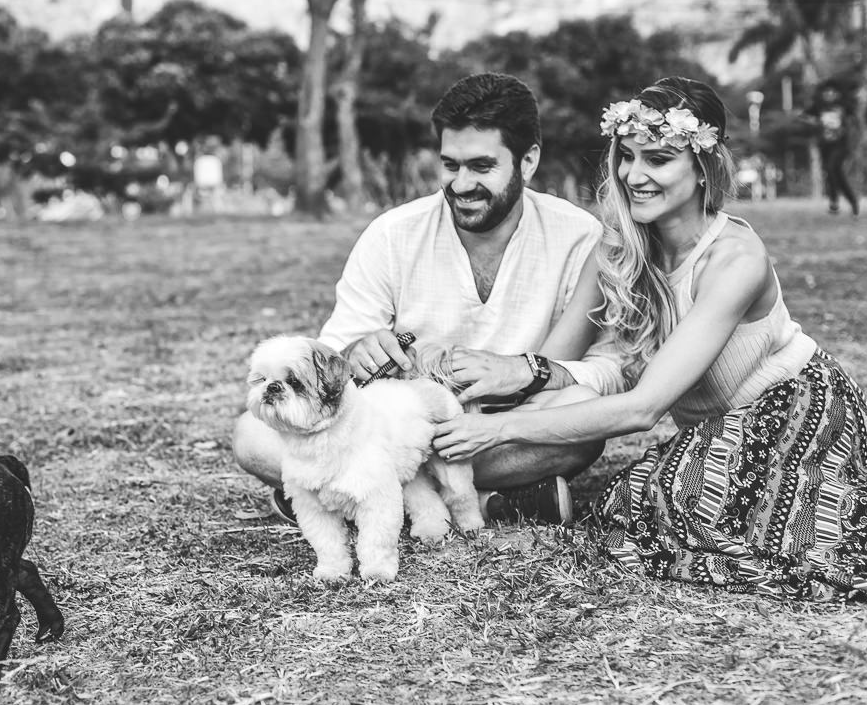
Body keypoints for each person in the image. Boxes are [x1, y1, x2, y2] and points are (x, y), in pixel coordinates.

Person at [433, 76, 867, 601]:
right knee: (649, 490)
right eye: (627, 156)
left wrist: (497, 431)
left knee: (666, 498)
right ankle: (492, 496)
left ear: (704, 167)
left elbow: (643, 409)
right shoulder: (616, 248)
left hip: (794, 405)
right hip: (712, 429)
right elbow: (549, 363)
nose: (634, 175)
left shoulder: (736, 259)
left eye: (658, 159)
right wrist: (464, 389)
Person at [232, 73, 625, 526]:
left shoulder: (579, 237)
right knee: (250, 435)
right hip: (397, 433)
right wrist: (356, 353)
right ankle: (488, 501)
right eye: (450, 165)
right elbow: (328, 361)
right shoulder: (393, 233)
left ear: (529, 160)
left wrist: (525, 372)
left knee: (584, 422)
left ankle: (367, 500)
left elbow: (613, 372)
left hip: (509, 428)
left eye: (481, 167)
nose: (460, 184)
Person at [807, 83, 860, 216]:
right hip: (826, 146)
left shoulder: (844, 106)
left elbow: (855, 120)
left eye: (832, 92)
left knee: (832, 169)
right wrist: (815, 122)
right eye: (826, 92)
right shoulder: (818, 107)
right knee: (834, 174)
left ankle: (839, 202)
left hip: (841, 145)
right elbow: (803, 116)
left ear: (836, 94)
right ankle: (847, 202)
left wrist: (848, 130)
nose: (829, 95)